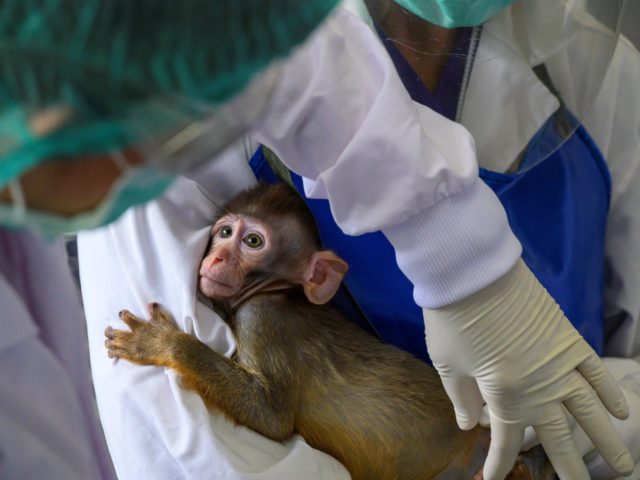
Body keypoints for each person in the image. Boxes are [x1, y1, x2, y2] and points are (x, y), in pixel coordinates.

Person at [0, 1, 638, 480]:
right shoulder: (183, 73)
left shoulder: (581, 56)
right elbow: (192, 448)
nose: (222, 256)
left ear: (319, 275)